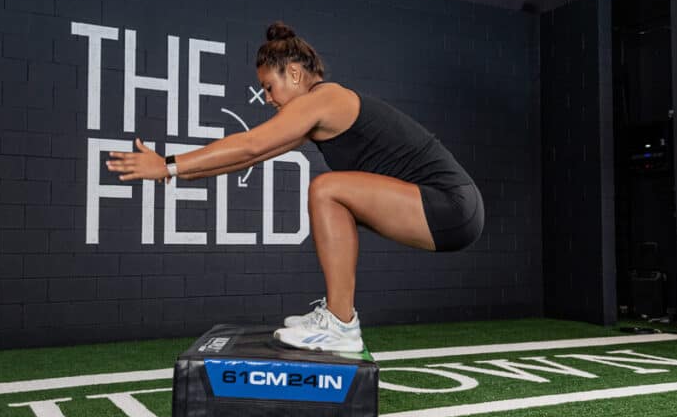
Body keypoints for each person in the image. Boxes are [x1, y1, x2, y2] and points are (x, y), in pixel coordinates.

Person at [106, 22, 484, 352]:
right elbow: (248, 157)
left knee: (326, 189)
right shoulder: (315, 116)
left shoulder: (326, 98)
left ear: (295, 74)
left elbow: (250, 143)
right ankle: (339, 317)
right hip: (444, 210)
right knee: (329, 192)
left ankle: (340, 323)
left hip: (450, 205)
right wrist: (172, 174)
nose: (267, 98)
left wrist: (168, 165)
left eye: (269, 87)